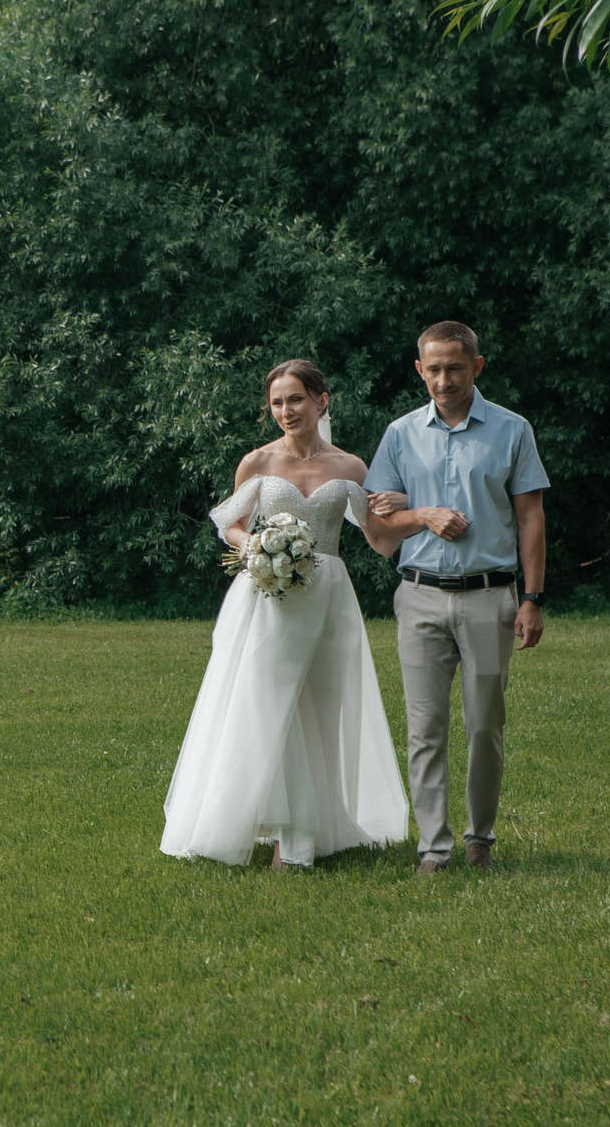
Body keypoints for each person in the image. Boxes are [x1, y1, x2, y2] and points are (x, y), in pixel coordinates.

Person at [161, 360, 409, 869]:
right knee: (269, 704)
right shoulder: (257, 462)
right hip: (269, 596)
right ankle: (277, 836)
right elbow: (229, 524)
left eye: (295, 399)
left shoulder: (352, 468)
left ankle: (311, 828)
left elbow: (381, 541)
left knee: (320, 705)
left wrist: (415, 510)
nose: (285, 411)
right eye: (276, 402)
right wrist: (258, 547)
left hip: (329, 596)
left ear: (322, 400)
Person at [361, 321, 549, 875]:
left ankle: (480, 840)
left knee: (485, 724)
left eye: (455, 368)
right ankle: (433, 850)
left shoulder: (512, 431)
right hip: (418, 596)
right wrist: (421, 515)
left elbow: (530, 517)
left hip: (491, 598)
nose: (443, 379)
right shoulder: (399, 434)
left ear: (477, 367)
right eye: (433, 369)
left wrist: (533, 597)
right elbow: (380, 516)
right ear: (419, 369)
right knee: (425, 728)